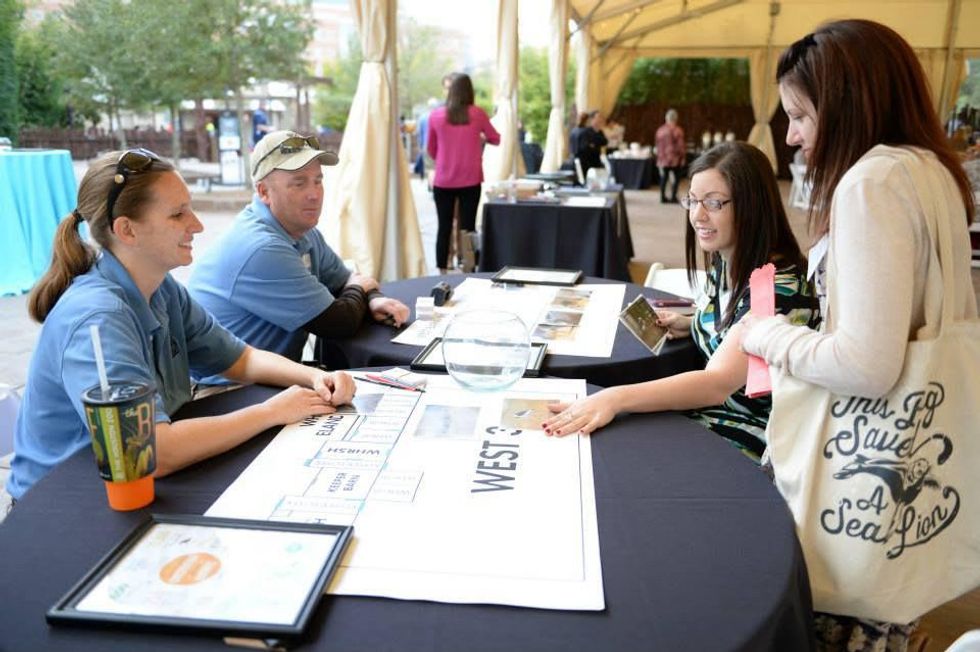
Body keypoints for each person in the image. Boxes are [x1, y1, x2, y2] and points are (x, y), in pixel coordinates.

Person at [740, 20, 977, 649]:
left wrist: (766, 336)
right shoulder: (930, 170)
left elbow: (866, 362)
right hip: (919, 434)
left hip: (862, 451)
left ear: (845, 102)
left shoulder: (870, 182)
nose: (790, 135)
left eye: (799, 115)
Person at [4, 149, 355, 504]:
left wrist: (312, 379)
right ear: (126, 229)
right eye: (178, 214)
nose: (198, 225)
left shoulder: (161, 288)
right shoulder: (98, 318)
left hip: (126, 485)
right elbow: (152, 452)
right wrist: (272, 411)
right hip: (61, 504)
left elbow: (239, 358)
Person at [543, 142, 819, 462]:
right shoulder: (728, 258)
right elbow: (736, 331)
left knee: (613, 444)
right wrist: (694, 323)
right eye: (692, 200)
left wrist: (614, 399)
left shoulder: (776, 291)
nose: (698, 216)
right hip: (708, 414)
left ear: (752, 206)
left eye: (714, 203)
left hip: (746, 434)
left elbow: (716, 384)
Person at [188, 130, 409, 371]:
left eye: (318, 180)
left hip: (275, 376)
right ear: (264, 192)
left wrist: (374, 298)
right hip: (225, 391)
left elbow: (343, 280)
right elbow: (339, 322)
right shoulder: (263, 247)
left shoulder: (301, 230)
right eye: (298, 183)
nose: (314, 195)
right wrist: (362, 288)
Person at [426, 73, 500, 273]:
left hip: (443, 180)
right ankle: (469, 267)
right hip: (470, 179)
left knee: (444, 227)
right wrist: (480, 137)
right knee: (468, 227)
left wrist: (445, 156)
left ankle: (441, 270)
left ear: (450, 91)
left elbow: (431, 150)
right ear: (470, 91)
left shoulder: (436, 115)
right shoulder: (478, 114)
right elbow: (496, 138)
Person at [655, 108, 686, 203]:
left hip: (662, 159)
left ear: (666, 118)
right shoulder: (678, 131)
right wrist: (683, 157)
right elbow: (681, 146)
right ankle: (673, 197)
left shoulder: (660, 130)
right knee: (676, 179)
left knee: (664, 178)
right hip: (674, 159)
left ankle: (662, 197)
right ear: (676, 119)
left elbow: (657, 145)